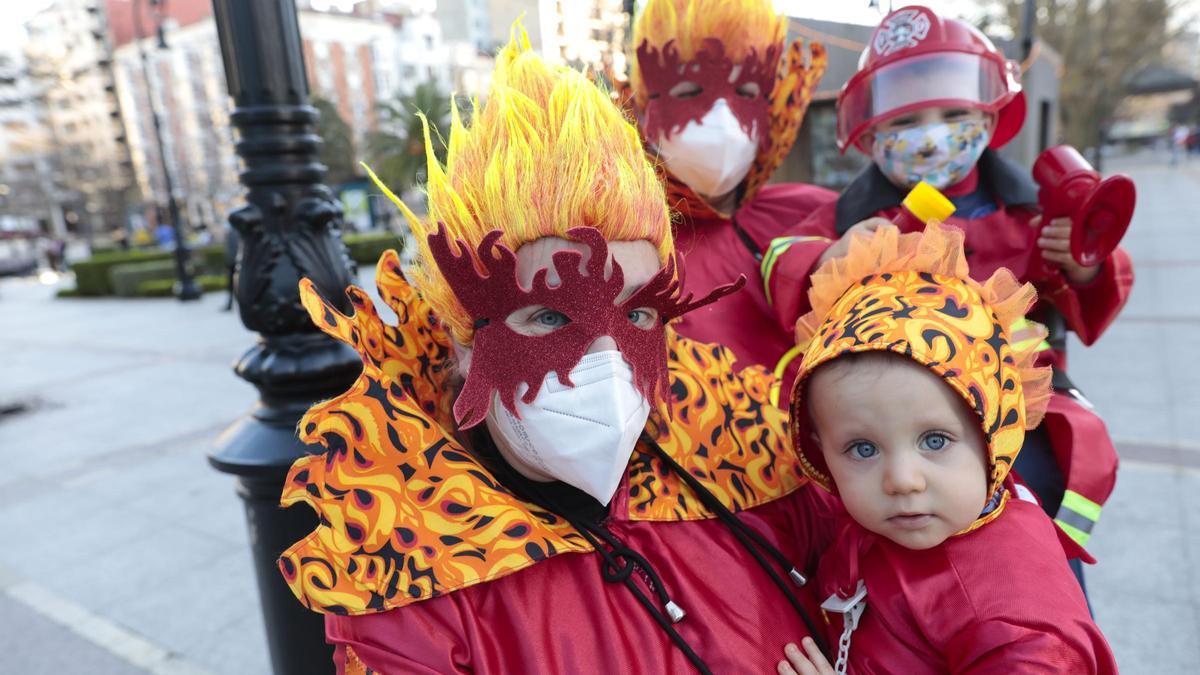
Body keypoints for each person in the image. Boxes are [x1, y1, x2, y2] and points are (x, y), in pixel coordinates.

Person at [278, 30, 834, 674]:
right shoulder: (410, 577)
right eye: (549, 315)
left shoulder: (744, 458)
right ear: (466, 338)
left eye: (637, 313)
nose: (606, 359)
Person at [762, 5, 1132, 581]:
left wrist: (1080, 264)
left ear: (990, 118)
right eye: (906, 123)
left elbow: (1089, 290)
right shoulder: (847, 218)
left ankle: (1052, 588)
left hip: (1024, 414)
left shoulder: (1029, 212)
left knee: (1041, 517)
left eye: (954, 113)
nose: (932, 135)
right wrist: (829, 257)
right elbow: (780, 260)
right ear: (869, 134)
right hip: (892, 423)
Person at [776, 222, 1116, 674]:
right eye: (862, 449)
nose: (902, 480)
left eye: (934, 440)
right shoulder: (891, 524)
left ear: (993, 432)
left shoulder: (1018, 628)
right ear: (820, 450)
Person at [623, 0, 833, 391]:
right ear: (640, 107)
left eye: (746, 91)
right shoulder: (623, 243)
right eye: (689, 91)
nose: (721, 116)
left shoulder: (815, 216)